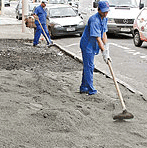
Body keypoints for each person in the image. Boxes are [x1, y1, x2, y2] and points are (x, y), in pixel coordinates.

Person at [80, 1, 111, 95]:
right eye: (104, 11)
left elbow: (104, 34)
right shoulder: (94, 20)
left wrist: (106, 49)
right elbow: (98, 38)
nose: (106, 13)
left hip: (93, 45)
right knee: (89, 66)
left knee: (89, 66)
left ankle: (84, 87)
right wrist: (103, 52)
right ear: (98, 10)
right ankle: (90, 89)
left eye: (107, 11)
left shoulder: (104, 19)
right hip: (87, 45)